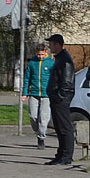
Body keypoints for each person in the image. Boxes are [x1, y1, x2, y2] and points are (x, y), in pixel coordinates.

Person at [45, 34, 75, 165]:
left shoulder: (65, 60)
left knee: (64, 127)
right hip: (56, 97)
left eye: (51, 44)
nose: (49, 47)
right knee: (58, 127)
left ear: (57, 45)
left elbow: (67, 82)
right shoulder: (60, 59)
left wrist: (59, 96)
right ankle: (60, 154)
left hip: (61, 99)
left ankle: (67, 156)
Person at [21, 43, 54, 150]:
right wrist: (25, 93)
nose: (40, 57)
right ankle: (38, 131)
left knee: (43, 118)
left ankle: (41, 138)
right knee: (33, 116)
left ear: (46, 53)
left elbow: (54, 79)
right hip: (34, 93)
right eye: (39, 55)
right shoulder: (32, 63)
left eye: (42, 55)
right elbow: (27, 79)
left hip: (46, 94)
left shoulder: (50, 63)